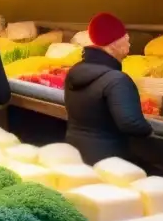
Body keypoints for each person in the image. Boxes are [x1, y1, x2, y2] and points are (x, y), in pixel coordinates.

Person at [65, 12, 153, 164]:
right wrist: (151, 130)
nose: (130, 44)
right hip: (110, 160)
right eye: (126, 39)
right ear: (113, 43)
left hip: (76, 153)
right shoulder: (117, 80)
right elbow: (131, 123)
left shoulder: (75, 71)